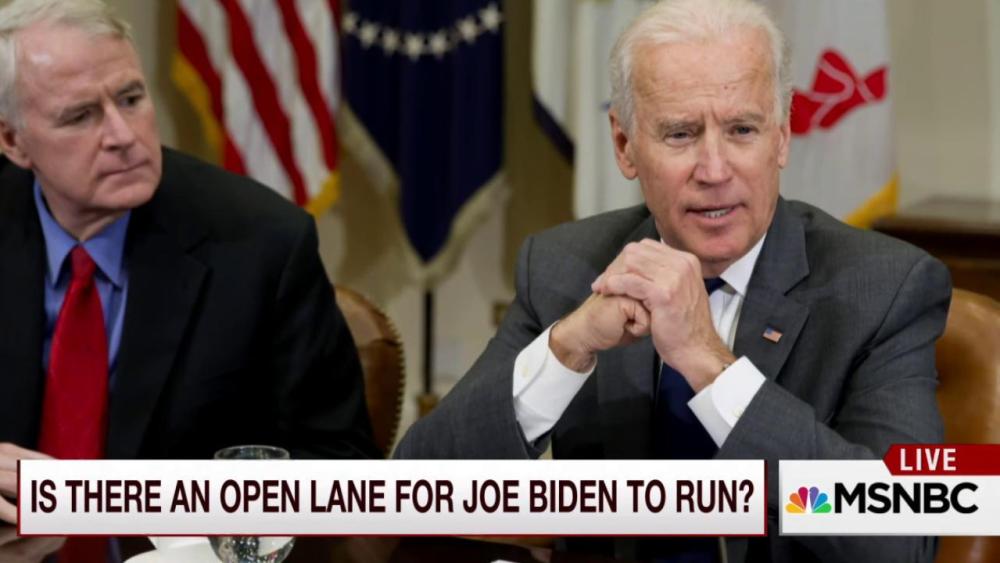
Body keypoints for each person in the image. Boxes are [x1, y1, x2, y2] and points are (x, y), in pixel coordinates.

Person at [395, 0, 951, 561]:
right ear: (624, 146)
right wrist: (566, 349)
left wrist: (711, 366)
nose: (714, 170)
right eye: (681, 134)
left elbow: (901, 537)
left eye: (742, 130)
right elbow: (414, 494)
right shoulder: (566, 267)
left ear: (782, 136)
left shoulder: (884, 289)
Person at [0, 0, 379, 527]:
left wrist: (144, 501)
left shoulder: (262, 245)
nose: (123, 136)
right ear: (12, 141)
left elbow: (342, 469)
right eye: (80, 116)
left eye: (131, 98)